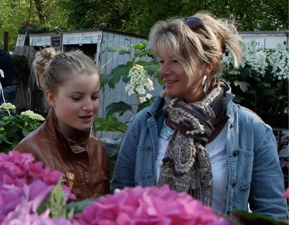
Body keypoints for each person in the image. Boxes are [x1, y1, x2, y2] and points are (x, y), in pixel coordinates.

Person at [111, 12, 288, 219]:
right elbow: (120, 203)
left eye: (175, 61)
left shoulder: (251, 130)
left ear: (207, 65)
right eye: (161, 61)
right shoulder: (143, 125)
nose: (163, 71)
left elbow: (271, 214)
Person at [14, 47, 109, 201]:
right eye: (77, 98)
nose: (89, 107)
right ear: (51, 98)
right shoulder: (27, 153)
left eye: (94, 96)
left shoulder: (98, 150)